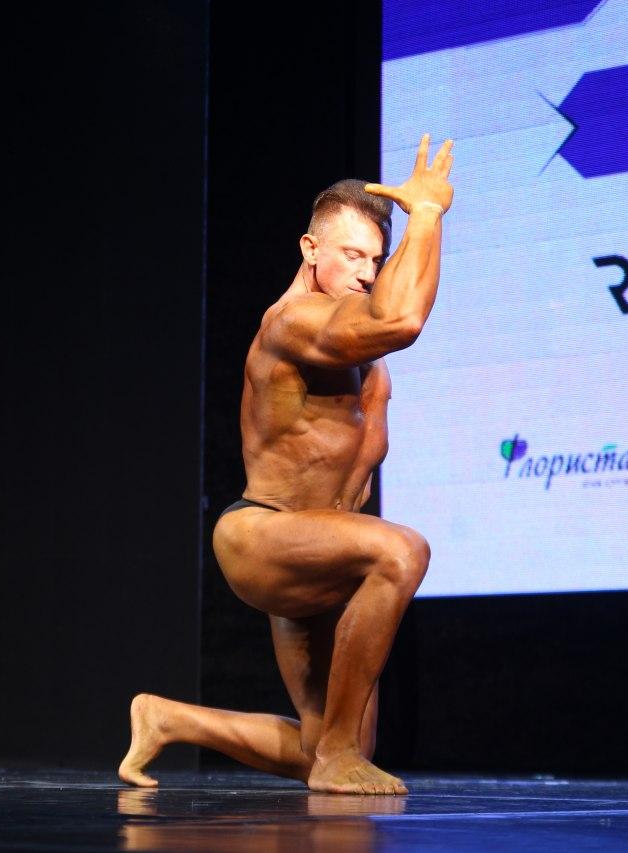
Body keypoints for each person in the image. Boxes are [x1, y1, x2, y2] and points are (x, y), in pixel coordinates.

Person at [118, 133, 454, 795]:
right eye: (352, 254)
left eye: (376, 259)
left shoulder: (364, 356)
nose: (366, 272)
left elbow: (389, 318)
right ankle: (337, 753)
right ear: (310, 249)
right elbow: (402, 320)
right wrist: (427, 214)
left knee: (332, 745)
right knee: (403, 550)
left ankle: (167, 719)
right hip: (264, 535)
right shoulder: (292, 322)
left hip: (323, 551)